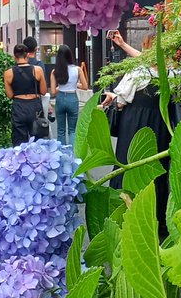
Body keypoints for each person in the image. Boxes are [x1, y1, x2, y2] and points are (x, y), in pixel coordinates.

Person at [102, 32, 174, 236]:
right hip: (161, 127)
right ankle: (157, 219)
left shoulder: (137, 72)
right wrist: (123, 44)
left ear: (146, 48)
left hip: (134, 125)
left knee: (128, 164)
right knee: (157, 169)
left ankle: (124, 213)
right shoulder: (172, 74)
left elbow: (122, 101)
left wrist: (111, 100)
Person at [4, 44, 47, 146]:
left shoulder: (8, 73)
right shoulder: (37, 70)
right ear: (27, 55)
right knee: (38, 140)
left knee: (19, 142)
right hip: (34, 106)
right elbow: (44, 91)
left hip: (19, 106)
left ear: (14, 57)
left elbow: (10, 95)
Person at [50, 44, 89, 146]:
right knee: (72, 130)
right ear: (69, 56)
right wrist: (74, 84)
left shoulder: (55, 71)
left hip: (60, 99)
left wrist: (61, 86)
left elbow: (53, 92)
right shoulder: (77, 69)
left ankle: (61, 155)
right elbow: (85, 86)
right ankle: (72, 155)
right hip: (72, 99)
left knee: (60, 130)